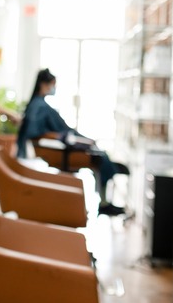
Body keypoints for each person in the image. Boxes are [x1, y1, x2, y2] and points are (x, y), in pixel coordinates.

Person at [16, 68, 126, 216]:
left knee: (101, 155)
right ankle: (105, 202)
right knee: (101, 157)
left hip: (63, 143)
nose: (54, 88)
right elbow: (41, 133)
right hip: (60, 150)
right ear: (44, 84)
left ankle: (105, 199)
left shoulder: (38, 104)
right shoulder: (40, 106)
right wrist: (71, 139)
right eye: (53, 84)